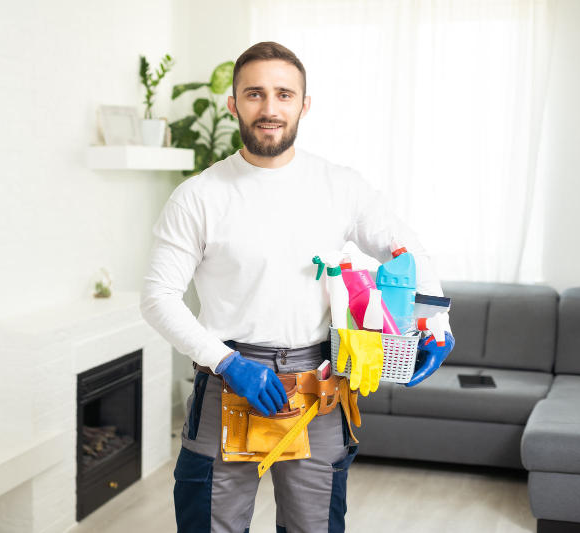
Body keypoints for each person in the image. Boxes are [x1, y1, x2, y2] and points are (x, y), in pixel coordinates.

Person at [140, 41, 455, 533]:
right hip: (228, 382)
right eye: (255, 94)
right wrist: (226, 362)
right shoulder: (198, 196)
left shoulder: (340, 186)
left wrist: (436, 322)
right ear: (234, 104)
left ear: (304, 104)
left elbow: (404, 249)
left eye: (284, 94)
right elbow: (158, 297)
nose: (270, 108)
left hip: (319, 385)